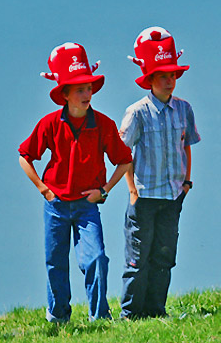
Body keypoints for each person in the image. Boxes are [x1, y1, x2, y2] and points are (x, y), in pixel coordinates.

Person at [18, 42, 133, 322]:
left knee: (96, 259)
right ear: (65, 95)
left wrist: (104, 190)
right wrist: (43, 189)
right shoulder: (50, 124)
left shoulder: (103, 124)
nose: (87, 94)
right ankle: (58, 318)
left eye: (89, 88)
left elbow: (125, 160)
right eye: (80, 89)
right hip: (56, 204)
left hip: (86, 206)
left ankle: (100, 317)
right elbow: (24, 155)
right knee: (55, 264)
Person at [119, 27, 201, 319]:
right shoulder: (138, 112)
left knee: (164, 255)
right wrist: (131, 190)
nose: (170, 81)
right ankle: (131, 313)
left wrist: (186, 182)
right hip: (144, 196)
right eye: (163, 76)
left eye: (173, 76)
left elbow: (187, 145)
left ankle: (156, 310)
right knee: (138, 257)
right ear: (150, 79)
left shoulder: (184, 110)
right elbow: (123, 154)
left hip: (172, 195)